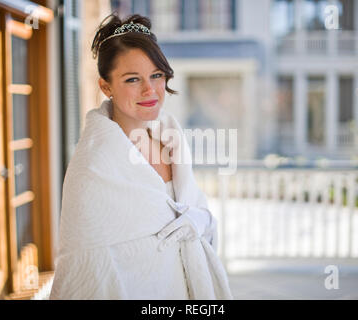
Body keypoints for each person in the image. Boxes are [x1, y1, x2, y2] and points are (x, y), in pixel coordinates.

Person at [50, 13, 232, 300]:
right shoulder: (94, 166)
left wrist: (202, 220)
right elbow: (82, 266)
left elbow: (200, 216)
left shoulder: (171, 141)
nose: (150, 90)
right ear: (106, 87)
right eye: (133, 79)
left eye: (156, 75)